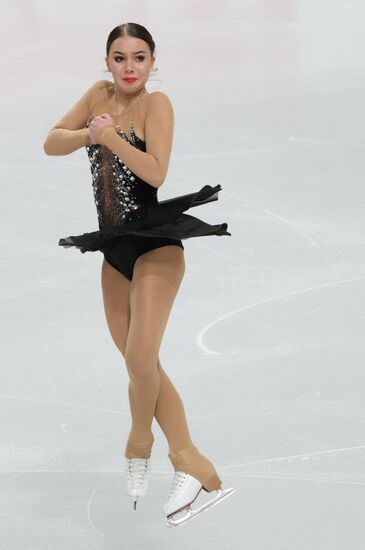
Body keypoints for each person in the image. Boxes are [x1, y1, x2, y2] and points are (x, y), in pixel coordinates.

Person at [43, 21, 235, 528]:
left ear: (153, 63)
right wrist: (90, 131)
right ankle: (197, 466)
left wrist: (111, 137)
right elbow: (51, 142)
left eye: (140, 57)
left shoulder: (157, 106)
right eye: (120, 57)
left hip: (155, 246)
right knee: (138, 366)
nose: (130, 67)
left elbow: (156, 172)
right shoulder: (97, 95)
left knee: (140, 356)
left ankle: (142, 443)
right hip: (114, 251)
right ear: (107, 61)